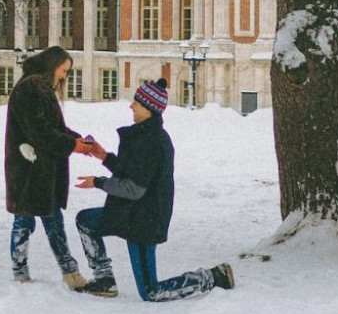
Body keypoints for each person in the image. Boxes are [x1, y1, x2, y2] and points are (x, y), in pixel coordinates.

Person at [73, 80, 234, 301]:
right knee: (86, 221)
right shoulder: (143, 135)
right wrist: (103, 155)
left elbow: (134, 188)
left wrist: (98, 182)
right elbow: (131, 172)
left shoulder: (153, 142)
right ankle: (104, 280)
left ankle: (213, 277)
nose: (131, 106)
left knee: (151, 292)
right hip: (132, 213)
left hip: (144, 220)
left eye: (136, 103)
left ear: (149, 108)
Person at [5, 46, 93, 289]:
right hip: (34, 170)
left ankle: (22, 273)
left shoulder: (35, 87)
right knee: (48, 221)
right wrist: (72, 144)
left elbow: (52, 128)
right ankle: (69, 273)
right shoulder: (33, 88)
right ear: (51, 66)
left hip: (32, 170)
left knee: (30, 220)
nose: (64, 76)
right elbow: (41, 132)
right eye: (63, 70)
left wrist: (78, 142)